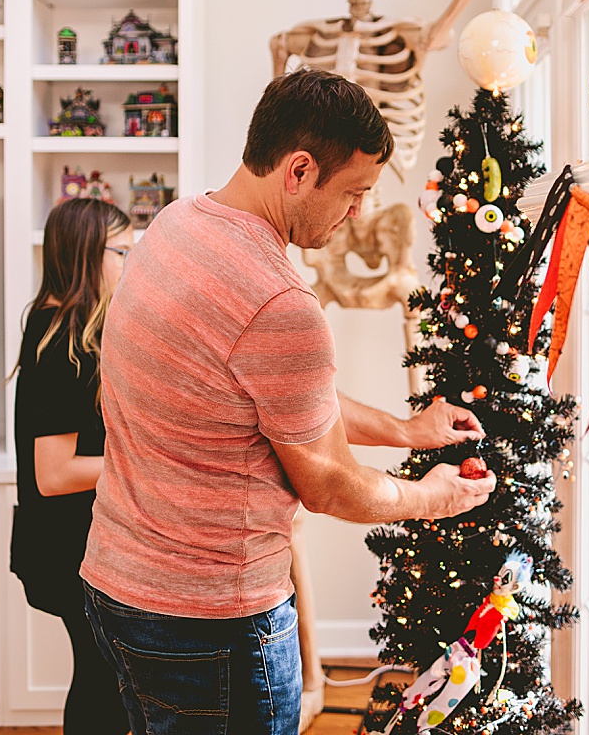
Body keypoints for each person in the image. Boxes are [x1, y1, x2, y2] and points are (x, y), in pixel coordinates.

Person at [81, 68, 496, 735]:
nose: (358, 213)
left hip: (117, 587)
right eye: (354, 192)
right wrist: (433, 499)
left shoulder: (174, 224)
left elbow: (269, 390)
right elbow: (328, 485)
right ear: (299, 171)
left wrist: (407, 431)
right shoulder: (279, 304)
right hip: (210, 626)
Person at [10, 197, 134, 735]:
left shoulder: (69, 327)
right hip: (68, 549)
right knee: (103, 681)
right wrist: (143, 464)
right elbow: (53, 474)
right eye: (123, 251)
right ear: (89, 254)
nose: (131, 263)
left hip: (76, 544)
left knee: (105, 677)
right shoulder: (61, 341)